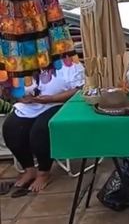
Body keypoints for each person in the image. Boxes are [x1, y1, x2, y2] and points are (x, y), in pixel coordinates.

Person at [2, 62, 85, 195]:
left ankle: (43, 173)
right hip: (34, 105)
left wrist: (52, 98)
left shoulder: (68, 63)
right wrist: (21, 96)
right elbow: (17, 90)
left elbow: (79, 90)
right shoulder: (26, 60)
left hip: (60, 104)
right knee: (11, 127)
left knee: (39, 131)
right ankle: (29, 170)